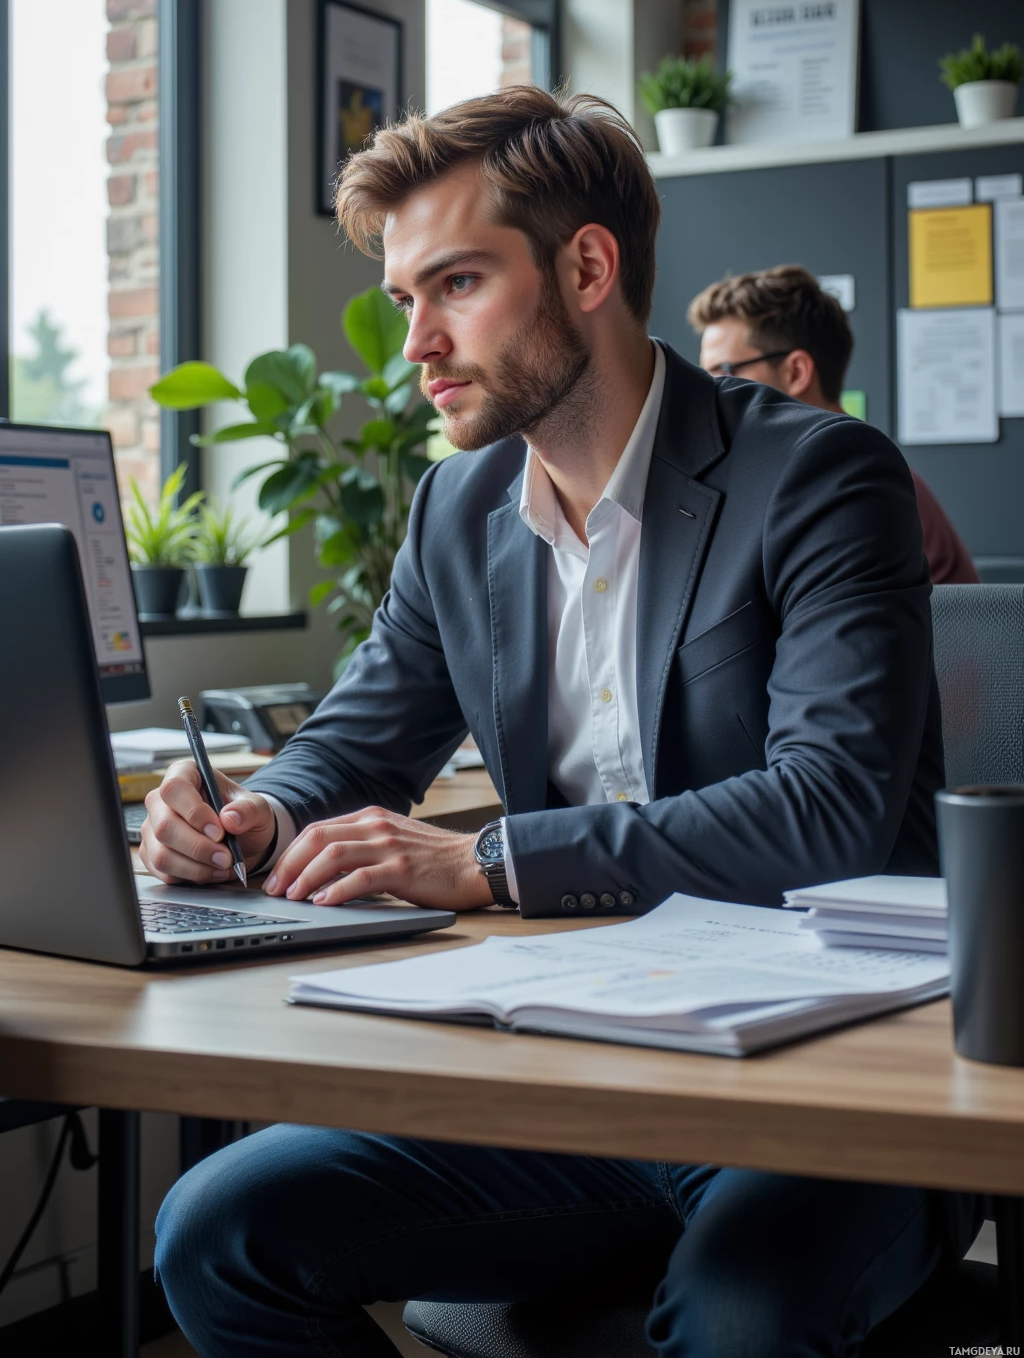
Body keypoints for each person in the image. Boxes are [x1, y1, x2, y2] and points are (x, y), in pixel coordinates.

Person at [147, 88, 976, 1358]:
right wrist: (265, 807)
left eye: (457, 285)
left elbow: (835, 805)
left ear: (587, 265)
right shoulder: (456, 507)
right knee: (220, 1228)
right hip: (564, 1069)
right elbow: (360, 737)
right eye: (406, 296)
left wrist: (485, 859)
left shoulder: (815, 475)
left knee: (741, 1311)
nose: (414, 342)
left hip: (814, 1074)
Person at [689, 265, 979, 586]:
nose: (710, 392)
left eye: (722, 372)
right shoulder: (805, 480)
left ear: (797, 372)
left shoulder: (859, 486)